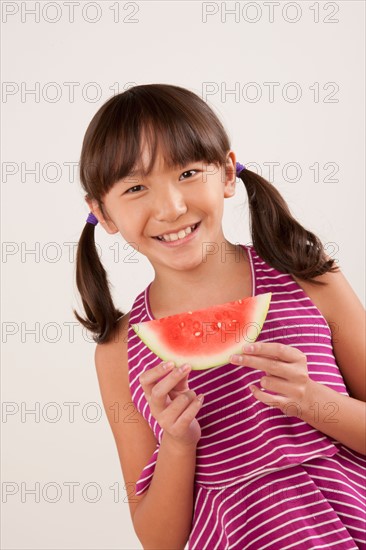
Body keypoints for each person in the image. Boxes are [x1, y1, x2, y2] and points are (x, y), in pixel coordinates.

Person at [73, 83, 366, 549]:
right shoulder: (119, 350)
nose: (171, 207)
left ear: (227, 174)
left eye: (189, 173)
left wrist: (313, 401)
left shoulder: (309, 277)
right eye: (135, 187)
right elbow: (159, 540)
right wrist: (178, 442)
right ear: (102, 212)